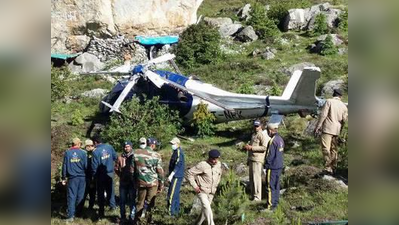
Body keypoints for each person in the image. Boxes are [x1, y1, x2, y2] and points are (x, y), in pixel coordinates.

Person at [315, 89, 348, 174]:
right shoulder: (344, 106)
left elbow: (323, 115)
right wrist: (340, 129)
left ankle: (328, 167)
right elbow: (344, 120)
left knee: (325, 148)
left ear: (333, 94)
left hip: (327, 128)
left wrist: (318, 126)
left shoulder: (329, 101)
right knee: (334, 149)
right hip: (337, 130)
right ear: (340, 96)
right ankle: (334, 166)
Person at [133, 137, 164, 224]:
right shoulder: (156, 155)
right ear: (153, 145)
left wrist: (134, 181)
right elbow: (160, 171)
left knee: (140, 202)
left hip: (140, 182)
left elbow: (132, 170)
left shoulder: (135, 153)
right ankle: (149, 220)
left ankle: (137, 221)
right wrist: (161, 184)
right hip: (152, 183)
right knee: (150, 203)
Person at [186, 149, 222, 225]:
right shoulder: (202, 165)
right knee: (207, 207)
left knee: (204, 212)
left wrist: (216, 186)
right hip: (202, 191)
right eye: (214, 159)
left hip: (211, 192)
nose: (215, 161)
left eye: (217, 159)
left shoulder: (218, 165)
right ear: (210, 158)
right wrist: (195, 186)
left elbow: (219, 175)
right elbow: (189, 173)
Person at [91, 136, 118, 219]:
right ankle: (113, 206)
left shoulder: (95, 152)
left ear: (95, 142)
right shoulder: (109, 147)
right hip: (109, 173)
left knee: (100, 193)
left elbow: (94, 166)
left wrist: (94, 176)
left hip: (100, 175)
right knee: (110, 190)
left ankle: (101, 210)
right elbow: (115, 157)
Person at [61, 138, 87, 222]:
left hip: (72, 178)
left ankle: (71, 216)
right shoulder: (83, 153)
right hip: (82, 177)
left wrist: (64, 177)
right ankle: (78, 213)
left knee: (71, 196)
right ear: (78, 144)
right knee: (80, 196)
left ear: (72, 144)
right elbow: (86, 166)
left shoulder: (67, 153)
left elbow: (64, 166)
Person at [244, 120, 269, 201]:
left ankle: (257, 196)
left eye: (257, 126)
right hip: (252, 159)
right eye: (255, 126)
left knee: (256, 178)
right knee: (251, 178)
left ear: (260, 126)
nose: (256, 127)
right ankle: (252, 194)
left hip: (257, 159)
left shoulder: (262, 135)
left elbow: (264, 147)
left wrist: (252, 148)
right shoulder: (254, 134)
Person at [263, 123, 284, 211]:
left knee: (270, 186)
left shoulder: (272, 141)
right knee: (276, 185)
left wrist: (266, 165)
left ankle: (270, 206)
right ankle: (275, 203)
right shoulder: (280, 139)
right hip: (279, 166)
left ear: (270, 130)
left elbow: (270, 155)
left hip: (272, 167)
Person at [115, 141, 136, 222]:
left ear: (131, 147)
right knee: (122, 201)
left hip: (132, 183)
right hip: (123, 182)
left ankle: (132, 217)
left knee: (132, 200)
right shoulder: (120, 157)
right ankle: (123, 216)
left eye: (127, 146)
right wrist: (121, 175)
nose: (126, 148)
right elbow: (116, 168)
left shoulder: (134, 156)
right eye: (125, 147)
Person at [166, 137, 185, 216]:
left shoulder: (178, 152)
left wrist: (171, 175)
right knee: (176, 195)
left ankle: (171, 213)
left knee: (172, 195)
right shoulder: (175, 151)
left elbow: (178, 164)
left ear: (177, 144)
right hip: (176, 175)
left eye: (173, 144)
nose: (172, 145)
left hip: (176, 176)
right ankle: (176, 212)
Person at [77, 139, 96, 212]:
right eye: (88, 146)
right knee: (83, 193)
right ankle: (80, 208)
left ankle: (90, 207)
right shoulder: (82, 153)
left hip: (93, 175)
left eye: (91, 146)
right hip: (84, 176)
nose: (89, 147)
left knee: (92, 193)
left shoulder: (95, 153)